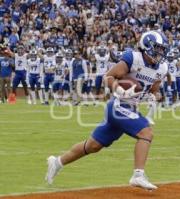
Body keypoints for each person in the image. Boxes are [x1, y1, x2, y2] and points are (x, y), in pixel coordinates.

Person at [45, 30, 169, 190]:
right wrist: (120, 90)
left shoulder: (162, 68)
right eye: (157, 48)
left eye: (162, 49)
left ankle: (57, 162)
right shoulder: (133, 58)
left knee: (93, 146)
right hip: (118, 105)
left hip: (130, 108)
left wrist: (155, 96)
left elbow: (154, 89)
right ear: (146, 46)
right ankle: (138, 175)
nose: (160, 53)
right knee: (146, 133)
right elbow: (108, 77)